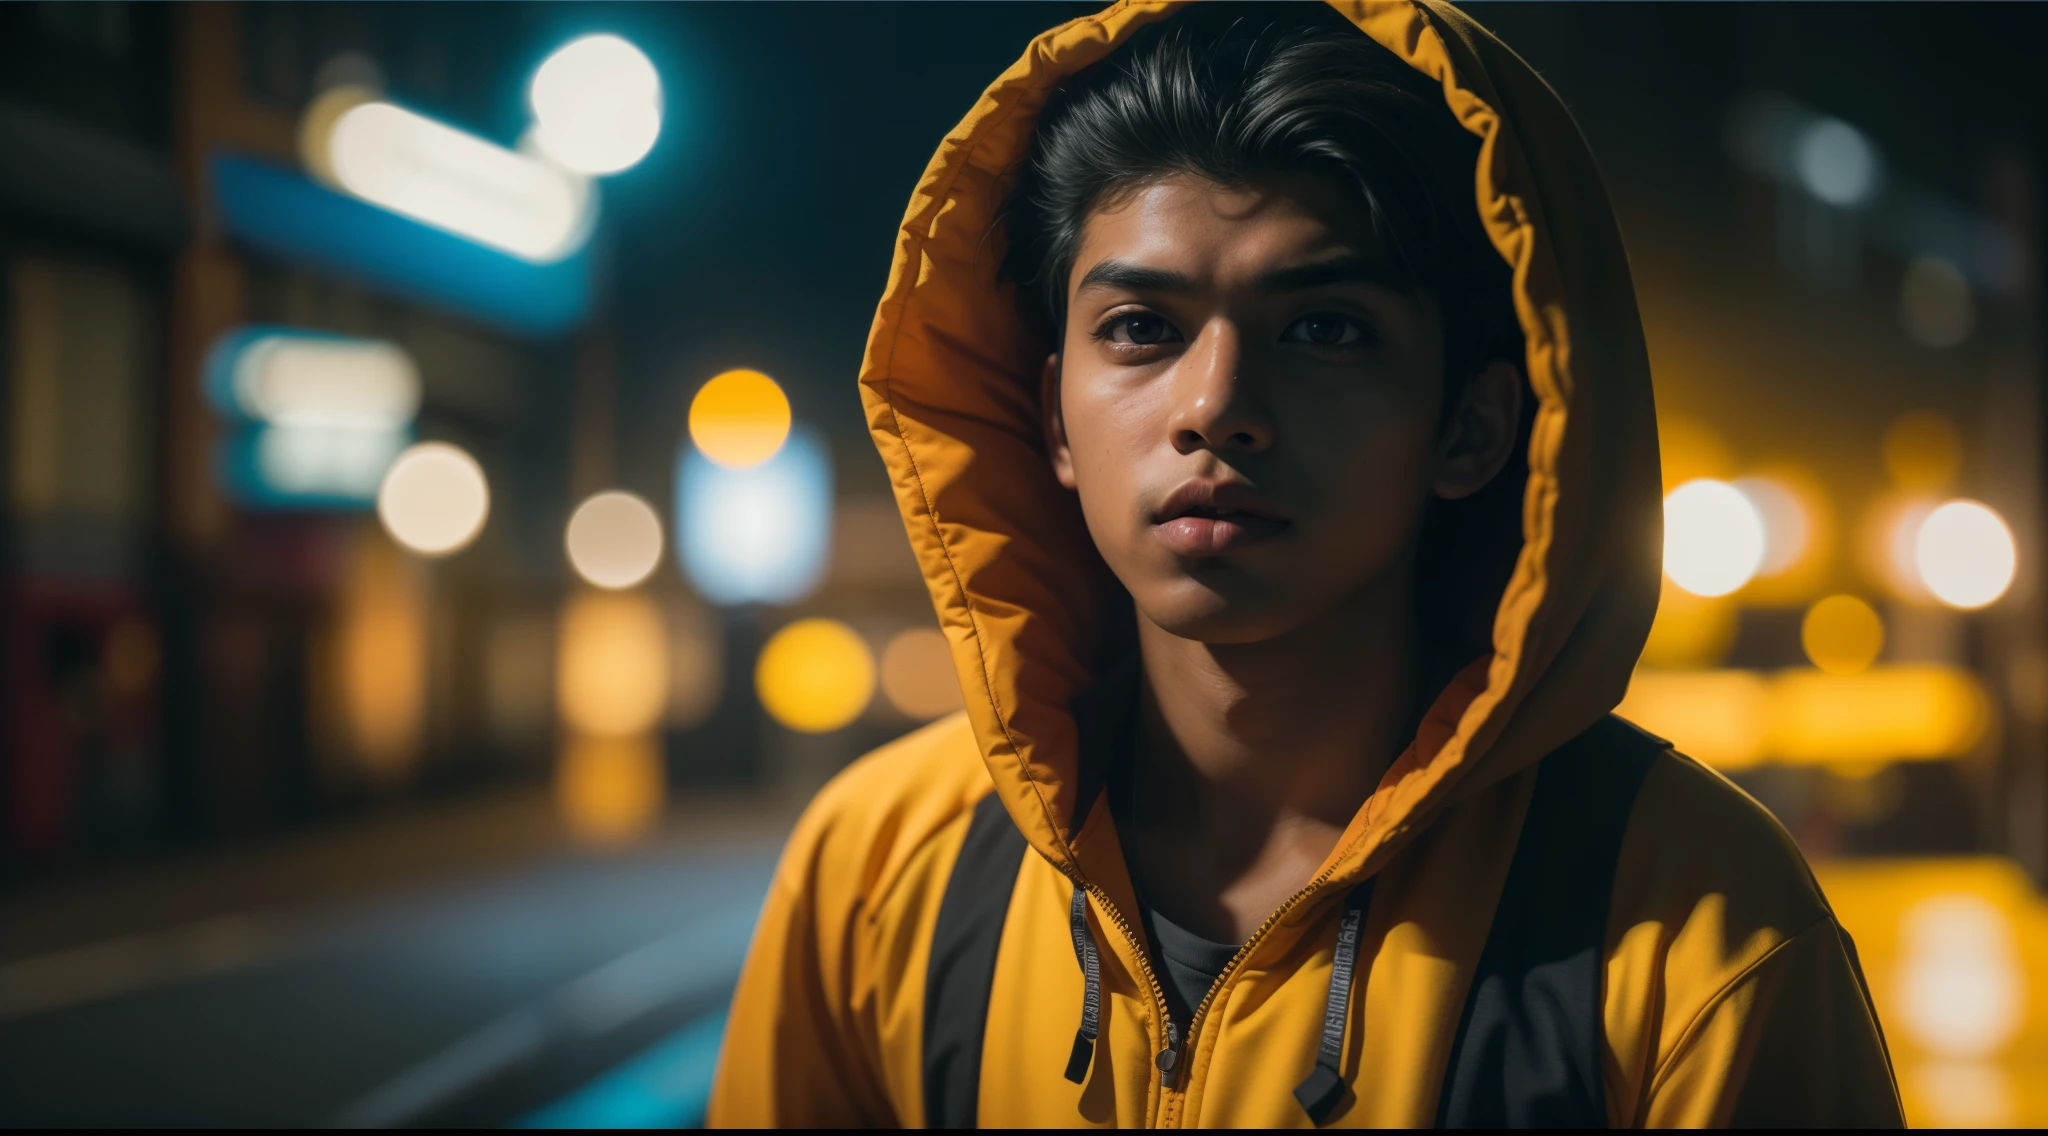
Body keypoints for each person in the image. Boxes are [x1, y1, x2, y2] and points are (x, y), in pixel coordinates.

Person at [709, 2, 1902, 1126]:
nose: (1216, 405)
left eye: (1322, 328)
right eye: (1140, 328)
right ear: (1056, 424)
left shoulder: (1691, 923)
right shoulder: (878, 867)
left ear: (1469, 427)